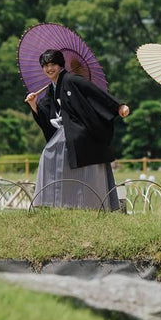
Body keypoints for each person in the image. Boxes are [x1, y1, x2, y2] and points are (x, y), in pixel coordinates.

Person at [24, 49, 130, 210]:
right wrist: (34, 105)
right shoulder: (51, 88)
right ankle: (54, 201)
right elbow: (47, 112)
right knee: (49, 154)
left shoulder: (72, 79)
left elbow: (94, 92)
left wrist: (118, 106)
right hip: (66, 129)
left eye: (52, 64)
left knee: (53, 152)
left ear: (60, 65)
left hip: (82, 128)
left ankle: (82, 202)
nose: (49, 69)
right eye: (45, 65)